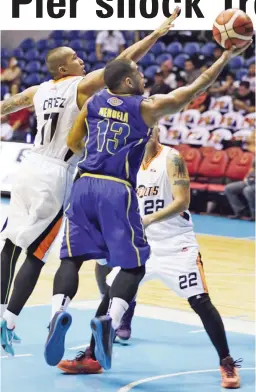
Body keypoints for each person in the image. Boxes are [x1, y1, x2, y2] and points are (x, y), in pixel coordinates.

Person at [43, 38, 251, 374]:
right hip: (117, 193)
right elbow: (196, 87)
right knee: (126, 274)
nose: (144, 77)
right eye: (139, 73)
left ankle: (59, 314)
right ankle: (104, 333)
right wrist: (226, 56)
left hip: (93, 191)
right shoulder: (144, 110)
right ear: (128, 82)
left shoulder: (98, 103)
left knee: (75, 258)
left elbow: (73, 142)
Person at [0, 14, 177, 357]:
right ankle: (8, 322)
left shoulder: (38, 91)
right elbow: (123, 62)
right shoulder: (79, 86)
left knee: (9, 243)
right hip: (55, 172)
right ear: (63, 70)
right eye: (75, 60)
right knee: (37, 252)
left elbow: (8, 105)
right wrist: (156, 32)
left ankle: (1, 312)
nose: (82, 61)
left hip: (26, 168)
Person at [58, 127, 242, 389]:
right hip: (142, 245)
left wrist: (147, 220)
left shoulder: (172, 158)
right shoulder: (125, 164)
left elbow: (182, 201)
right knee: (111, 294)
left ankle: (227, 361)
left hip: (176, 244)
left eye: (151, 130)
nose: (147, 134)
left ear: (158, 132)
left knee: (200, 301)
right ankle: (92, 357)